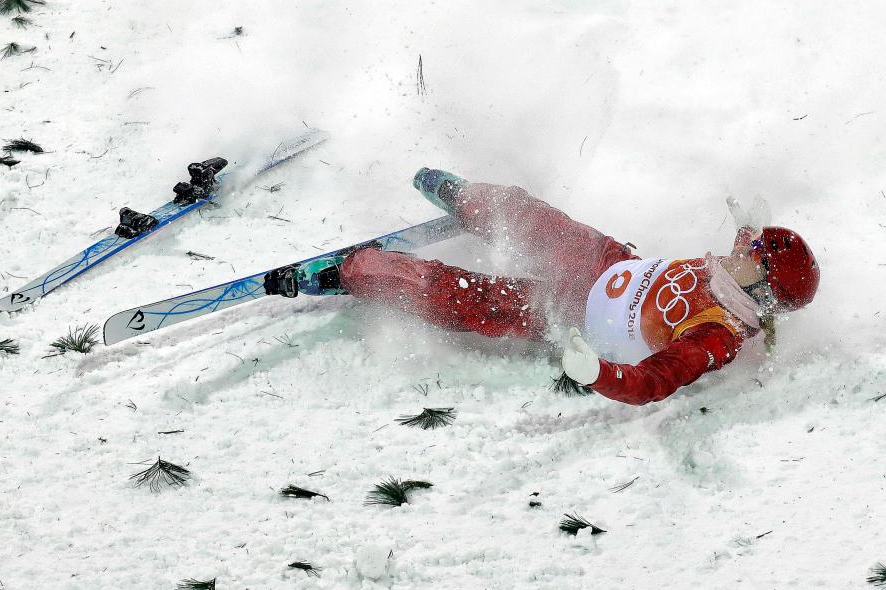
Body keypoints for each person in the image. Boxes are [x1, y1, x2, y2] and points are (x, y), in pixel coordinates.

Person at [280, 169, 820, 405]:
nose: (742, 247)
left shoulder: (716, 334)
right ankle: (468, 199)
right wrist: (755, 224)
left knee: (464, 296)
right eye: (750, 242)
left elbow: (654, 381)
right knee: (532, 217)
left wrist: (598, 373)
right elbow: (753, 242)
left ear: (764, 288)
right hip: (610, 263)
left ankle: (356, 272)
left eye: (754, 253)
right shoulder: (738, 274)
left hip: (567, 316)